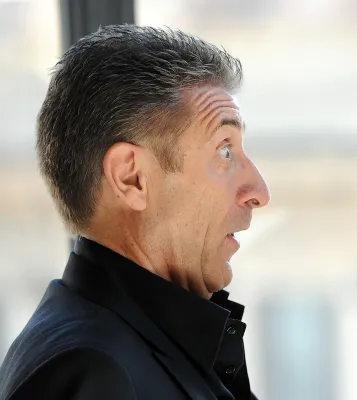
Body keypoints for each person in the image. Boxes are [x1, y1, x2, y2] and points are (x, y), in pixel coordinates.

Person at [0, 25, 269, 400]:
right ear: (131, 177)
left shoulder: (141, 348)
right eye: (225, 150)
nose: (259, 192)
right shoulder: (93, 369)